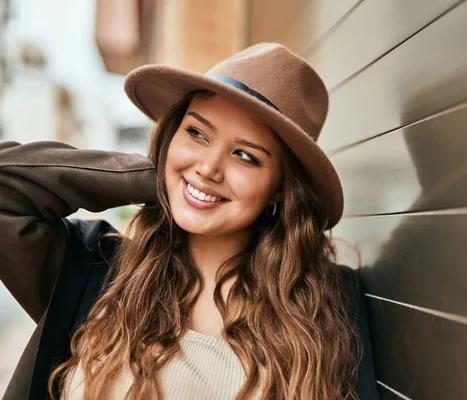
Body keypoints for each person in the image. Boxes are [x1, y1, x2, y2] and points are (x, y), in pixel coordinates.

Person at [0, 43, 379, 400]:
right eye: (196, 133)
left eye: (245, 156)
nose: (209, 167)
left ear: (281, 188)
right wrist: (156, 178)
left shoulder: (324, 308)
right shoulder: (98, 271)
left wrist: (186, 178)